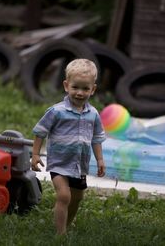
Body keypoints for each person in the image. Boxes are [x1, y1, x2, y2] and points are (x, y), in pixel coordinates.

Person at [31, 58, 106, 235]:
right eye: (75, 87)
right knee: (64, 196)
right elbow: (40, 131)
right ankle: (61, 234)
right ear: (66, 86)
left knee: (77, 197)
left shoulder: (93, 114)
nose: (80, 93)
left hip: (79, 165)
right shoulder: (57, 111)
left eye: (85, 88)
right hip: (59, 162)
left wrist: (100, 159)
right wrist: (35, 155)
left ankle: (67, 223)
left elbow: (96, 138)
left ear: (93, 89)